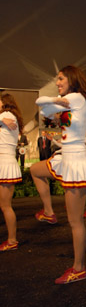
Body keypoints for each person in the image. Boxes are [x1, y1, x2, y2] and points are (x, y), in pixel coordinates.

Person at [30, 65, 86, 284]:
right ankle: (49, 211)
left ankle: (79, 268)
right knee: (35, 170)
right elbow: (41, 108)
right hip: (66, 157)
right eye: (56, 79)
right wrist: (55, 102)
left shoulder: (77, 98)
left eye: (60, 78)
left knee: (75, 222)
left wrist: (55, 101)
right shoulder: (68, 99)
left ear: (71, 79)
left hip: (75, 162)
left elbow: (41, 102)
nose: (57, 82)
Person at [0, 94, 24, 252]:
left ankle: (12, 240)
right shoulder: (7, 117)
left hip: (4, 163)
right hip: (6, 162)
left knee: (5, 205)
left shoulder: (6, 116)